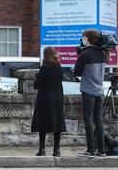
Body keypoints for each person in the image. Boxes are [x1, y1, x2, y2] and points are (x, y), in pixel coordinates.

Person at [74, 29, 107, 158]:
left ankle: (90, 150)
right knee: (99, 120)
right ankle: (102, 150)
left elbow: (76, 72)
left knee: (88, 120)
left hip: (88, 91)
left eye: (83, 37)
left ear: (87, 39)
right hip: (100, 91)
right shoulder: (102, 53)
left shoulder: (85, 54)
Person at [31, 46, 66, 157]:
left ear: (45, 55)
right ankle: (57, 150)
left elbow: (36, 85)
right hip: (57, 99)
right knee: (57, 124)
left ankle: (42, 149)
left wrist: (37, 77)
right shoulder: (59, 67)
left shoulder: (45, 68)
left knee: (43, 124)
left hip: (45, 99)